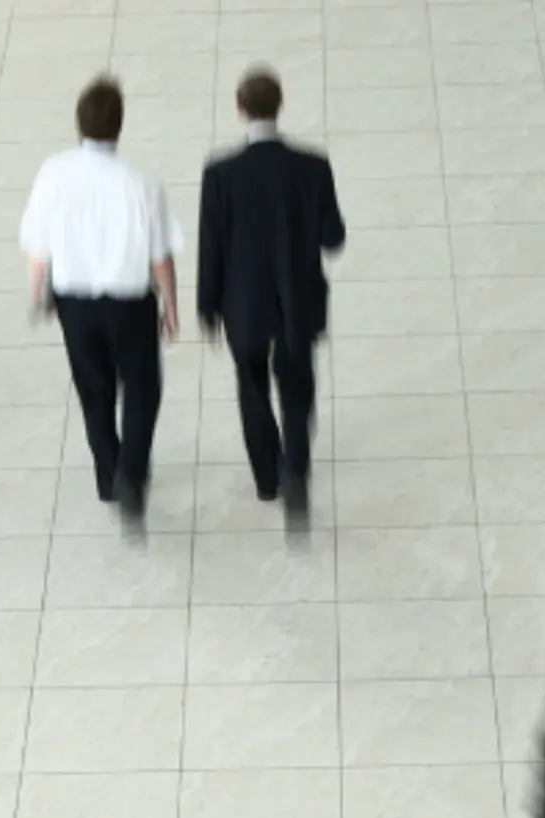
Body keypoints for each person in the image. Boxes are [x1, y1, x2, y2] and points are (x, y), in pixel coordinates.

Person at [20, 75, 182, 522]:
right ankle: (132, 472)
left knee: (94, 391)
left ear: (79, 123)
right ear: (120, 125)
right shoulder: (142, 182)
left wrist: (36, 296)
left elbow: (38, 248)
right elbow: (159, 257)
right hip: (130, 304)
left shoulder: (53, 172)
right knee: (142, 389)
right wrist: (170, 305)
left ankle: (109, 478)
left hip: (74, 304)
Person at [197, 67, 346, 519]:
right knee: (297, 385)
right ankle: (296, 469)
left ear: (240, 108)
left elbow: (211, 246)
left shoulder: (220, 174)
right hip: (299, 299)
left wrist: (207, 304)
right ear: (280, 106)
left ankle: (266, 479)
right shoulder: (313, 166)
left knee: (252, 385)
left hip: (243, 303)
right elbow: (333, 238)